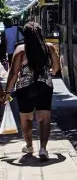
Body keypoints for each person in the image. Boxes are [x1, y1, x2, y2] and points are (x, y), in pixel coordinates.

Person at [0, 22, 60, 160]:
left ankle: (29, 145)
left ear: (24, 35)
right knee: (44, 118)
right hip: (45, 87)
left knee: (26, 118)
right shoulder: (49, 48)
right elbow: (56, 68)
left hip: (25, 89)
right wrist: (47, 73)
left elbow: (14, 73)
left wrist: (6, 93)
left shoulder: (20, 50)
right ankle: (43, 149)